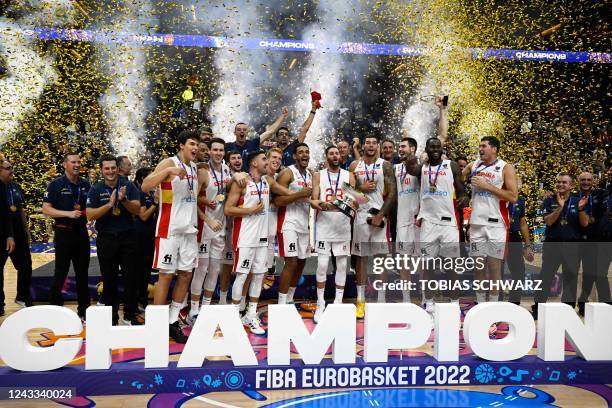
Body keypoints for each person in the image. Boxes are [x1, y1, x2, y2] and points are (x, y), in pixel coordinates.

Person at [224, 149, 299, 333]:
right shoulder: (242, 182)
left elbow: (285, 192)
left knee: (259, 275)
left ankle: (250, 315)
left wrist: (305, 193)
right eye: (264, 159)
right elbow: (228, 209)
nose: (268, 162)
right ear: (254, 163)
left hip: (263, 237)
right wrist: (249, 211)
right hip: (245, 237)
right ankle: (234, 317)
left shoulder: (266, 181)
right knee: (242, 275)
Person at [141, 130, 202, 343]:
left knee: (186, 274)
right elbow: (146, 186)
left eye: (197, 144)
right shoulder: (168, 162)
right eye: (192, 144)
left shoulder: (195, 167)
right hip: (169, 229)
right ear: (181, 145)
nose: (196, 148)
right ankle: (157, 324)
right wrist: (168, 171)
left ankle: (173, 320)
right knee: (166, 276)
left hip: (189, 230)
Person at [404, 137, 468, 315]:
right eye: (432, 146)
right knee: (428, 265)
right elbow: (410, 168)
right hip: (428, 223)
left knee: (452, 265)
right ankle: (428, 302)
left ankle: (455, 302)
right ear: (426, 149)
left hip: (448, 222)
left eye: (438, 146)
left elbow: (462, 190)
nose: (435, 149)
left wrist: (464, 198)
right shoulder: (421, 168)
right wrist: (411, 154)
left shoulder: (451, 166)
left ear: (442, 149)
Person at [463, 137, 518, 308]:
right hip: (476, 224)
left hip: (496, 224)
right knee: (478, 267)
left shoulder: (505, 167)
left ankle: (493, 306)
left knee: (494, 268)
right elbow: (456, 176)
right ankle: (479, 304)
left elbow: (513, 197)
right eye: (479, 146)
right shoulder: (475, 165)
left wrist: (488, 186)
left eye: (484, 146)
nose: (480, 149)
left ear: (494, 149)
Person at [86, 156, 141, 325]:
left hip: (127, 237)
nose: (110, 171)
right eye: (106, 168)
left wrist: (123, 200)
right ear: (102, 170)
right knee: (109, 279)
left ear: (118, 169)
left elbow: (137, 209)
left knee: (131, 277)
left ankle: (130, 315)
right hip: (106, 239)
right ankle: (112, 318)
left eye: (112, 168)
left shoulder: (129, 185)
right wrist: (109, 205)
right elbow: (90, 215)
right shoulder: (95, 189)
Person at [349, 133, 397, 316]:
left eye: (373, 143)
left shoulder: (385, 165)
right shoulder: (355, 165)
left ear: (377, 146)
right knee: (361, 259)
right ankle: (361, 301)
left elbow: (393, 194)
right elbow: (347, 190)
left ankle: (381, 300)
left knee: (381, 259)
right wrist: (361, 189)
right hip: (361, 216)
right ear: (363, 145)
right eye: (367, 142)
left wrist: (381, 215)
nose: (370, 145)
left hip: (379, 216)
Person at [42, 153, 91, 322]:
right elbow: (46, 209)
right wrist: (68, 214)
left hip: (81, 234)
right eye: (73, 162)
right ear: (65, 165)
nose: (77, 164)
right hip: (63, 233)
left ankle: (84, 311)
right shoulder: (56, 184)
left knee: (82, 274)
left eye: (79, 162)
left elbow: (91, 207)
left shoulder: (85, 184)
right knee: (60, 272)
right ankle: (56, 309)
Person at [189, 138, 233, 323]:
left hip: (220, 228)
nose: (217, 153)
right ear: (210, 152)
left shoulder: (226, 170)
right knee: (202, 269)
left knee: (215, 269)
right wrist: (207, 218)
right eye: (214, 149)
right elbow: (191, 198)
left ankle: (206, 308)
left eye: (221, 150)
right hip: (205, 227)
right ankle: (193, 310)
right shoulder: (203, 171)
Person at [310, 145, 356, 322]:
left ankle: (338, 302)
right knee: (322, 264)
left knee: (342, 265)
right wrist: (321, 204)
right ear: (326, 156)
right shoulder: (318, 175)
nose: (335, 156)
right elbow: (313, 200)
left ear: (341, 156)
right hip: (324, 224)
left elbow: (355, 201)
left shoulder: (348, 175)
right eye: (331, 153)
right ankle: (320, 302)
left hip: (342, 226)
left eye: (337, 153)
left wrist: (342, 204)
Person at [532, 173, 584, 319]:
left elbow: (583, 223)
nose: (561, 185)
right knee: (546, 276)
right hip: (552, 244)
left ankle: (567, 309)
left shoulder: (578, 201)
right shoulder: (549, 200)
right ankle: (538, 307)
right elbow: (548, 221)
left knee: (570, 278)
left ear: (571, 185)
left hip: (572, 245)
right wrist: (559, 208)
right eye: (559, 182)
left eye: (564, 183)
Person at [275, 143, 314, 305]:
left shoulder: (311, 175)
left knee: (301, 261)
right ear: (295, 156)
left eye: (307, 152)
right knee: (291, 262)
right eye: (301, 152)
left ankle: (290, 298)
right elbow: (277, 200)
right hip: (288, 222)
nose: (304, 154)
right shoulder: (287, 173)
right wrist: (299, 195)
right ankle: (281, 303)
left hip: (304, 223)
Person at [575, 172, 609, 314]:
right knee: (582, 273)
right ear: (578, 181)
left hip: (596, 240)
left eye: (589, 180)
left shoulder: (601, 195)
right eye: (583, 180)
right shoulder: (573, 196)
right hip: (577, 240)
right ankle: (582, 304)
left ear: (594, 181)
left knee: (597, 274)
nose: (586, 182)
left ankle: (605, 305)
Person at [0, 159, 31, 309]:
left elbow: (20, 210)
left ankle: (22, 297)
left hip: (19, 234)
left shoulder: (16, 186)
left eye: (12, 167)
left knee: (26, 266)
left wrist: (26, 231)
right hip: (2, 235)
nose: (11, 171)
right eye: (8, 168)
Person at [394, 137, 420, 303]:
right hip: (402, 220)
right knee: (404, 260)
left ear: (413, 149)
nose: (400, 149)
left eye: (403, 146)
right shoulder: (395, 168)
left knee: (424, 261)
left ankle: (426, 298)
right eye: (400, 146)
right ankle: (406, 299)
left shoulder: (422, 167)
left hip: (420, 220)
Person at [218, 150, 244, 305]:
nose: (237, 160)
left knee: (244, 268)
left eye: (239, 157)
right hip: (228, 227)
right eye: (233, 158)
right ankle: (222, 300)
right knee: (227, 266)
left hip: (244, 228)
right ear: (228, 163)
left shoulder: (247, 177)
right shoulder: (225, 179)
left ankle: (240, 302)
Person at [503, 177, 534, 305]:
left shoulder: (520, 200)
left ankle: (514, 302)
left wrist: (527, 245)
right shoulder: (498, 197)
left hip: (514, 237)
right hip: (498, 236)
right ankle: (495, 302)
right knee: (496, 271)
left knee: (519, 272)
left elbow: (522, 223)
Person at [134, 167, 157, 312]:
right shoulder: (139, 193)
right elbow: (143, 216)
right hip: (139, 236)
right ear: (143, 179)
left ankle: (143, 299)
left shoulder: (152, 192)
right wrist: (155, 204)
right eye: (152, 176)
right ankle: (137, 301)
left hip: (150, 235)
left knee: (147, 270)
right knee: (139, 270)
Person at [278, 100, 320, 167]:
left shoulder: (294, 146)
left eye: (286, 134)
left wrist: (313, 109)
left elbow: (304, 129)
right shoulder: (272, 150)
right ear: (276, 138)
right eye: (281, 134)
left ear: (289, 138)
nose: (284, 136)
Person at [264, 148, 284, 289]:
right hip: (257, 216)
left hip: (273, 214)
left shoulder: (279, 177)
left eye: (279, 159)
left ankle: (269, 269)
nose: (277, 161)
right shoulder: (258, 174)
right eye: (274, 157)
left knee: (271, 241)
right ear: (267, 158)